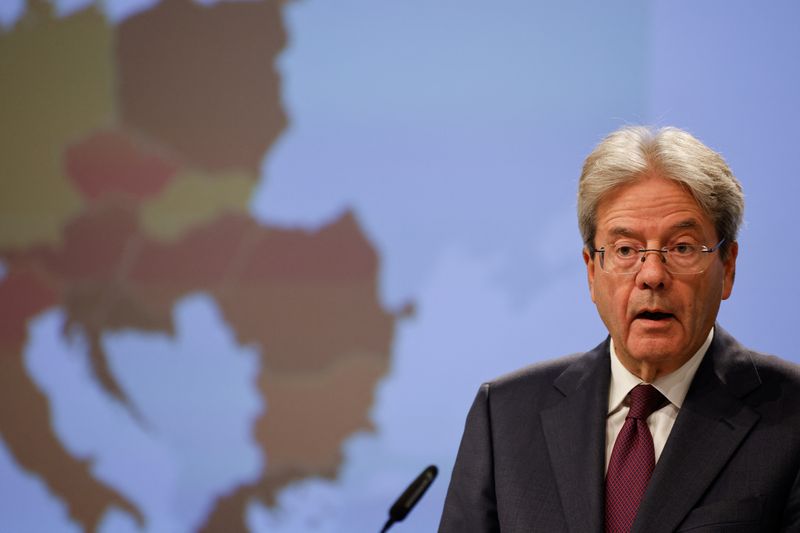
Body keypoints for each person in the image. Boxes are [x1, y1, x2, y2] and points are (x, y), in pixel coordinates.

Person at [438, 126, 800, 532]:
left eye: (681, 247)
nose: (652, 275)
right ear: (592, 272)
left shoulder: (791, 415)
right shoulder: (504, 417)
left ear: (728, 267)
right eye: (626, 250)